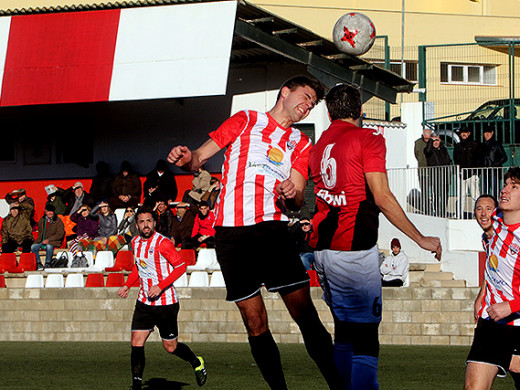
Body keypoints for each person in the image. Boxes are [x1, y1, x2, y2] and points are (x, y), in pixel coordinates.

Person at [168, 75, 344, 390]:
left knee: (305, 314)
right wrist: (185, 159)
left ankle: (339, 386)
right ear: (285, 92)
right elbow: (198, 157)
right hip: (231, 236)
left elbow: (299, 196)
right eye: (304, 97)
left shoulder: (301, 143)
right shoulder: (246, 120)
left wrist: (292, 192)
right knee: (254, 322)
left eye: (312, 104)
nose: (306, 106)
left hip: (271, 231)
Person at [308, 84, 442, 390]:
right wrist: (421, 239)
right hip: (353, 249)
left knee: (344, 331)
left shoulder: (320, 144)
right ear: (361, 113)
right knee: (367, 339)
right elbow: (381, 196)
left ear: (329, 113)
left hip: (324, 250)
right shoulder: (367, 138)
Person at [117, 207, 207, 390]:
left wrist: (160, 286)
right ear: (137, 225)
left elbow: (181, 266)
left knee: (171, 348)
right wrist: (128, 284)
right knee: (136, 341)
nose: (146, 225)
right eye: (142, 222)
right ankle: (136, 385)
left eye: (149, 221)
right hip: (144, 301)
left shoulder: (163, 243)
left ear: (155, 223)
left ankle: (196, 361)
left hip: (166, 303)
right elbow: (139, 268)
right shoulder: (134, 243)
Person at [465, 168, 520, 389]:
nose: (505, 190)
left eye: (514, 186)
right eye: (505, 184)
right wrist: (482, 294)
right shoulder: (494, 222)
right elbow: (493, 262)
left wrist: (512, 306)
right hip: (492, 323)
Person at [424, 132, 452, 217]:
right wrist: (430, 142)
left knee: (445, 195)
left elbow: (448, 160)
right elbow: (427, 151)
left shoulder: (443, 149)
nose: (435, 142)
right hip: (435, 175)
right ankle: (437, 211)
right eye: (434, 140)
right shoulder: (429, 150)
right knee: (436, 194)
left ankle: (443, 211)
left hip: (445, 175)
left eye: (437, 140)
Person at [454, 126, 481, 213]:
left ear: (469, 133)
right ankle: (459, 213)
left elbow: (478, 158)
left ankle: (476, 214)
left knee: (475, 196)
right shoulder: (458, 146)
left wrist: (477, 172)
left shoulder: (475, 144)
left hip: (472, 173)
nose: (464, 134)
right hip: (461, 173)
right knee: (461, 195)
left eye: (465, 132)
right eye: (462, 133)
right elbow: (456, 159)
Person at [31, 204, 65, 270]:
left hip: (53, 241)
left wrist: (49, 240)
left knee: (49, 247)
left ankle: (47, 263)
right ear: (46, 212)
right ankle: (38, 263)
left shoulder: (58, 221)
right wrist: (39, 241)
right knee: (33, 247)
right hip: (42, 240)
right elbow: (40, 232)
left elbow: (60, 234)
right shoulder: (42, 220)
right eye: (48, 211)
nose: (50, 213)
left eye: (51, 211)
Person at [481, 125, 508, 196]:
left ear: (492, 133)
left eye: (488, 132)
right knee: (485, 193)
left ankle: (497, 206)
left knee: (496, 192)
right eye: (485, 132)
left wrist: (495, 164)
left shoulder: (496, 144)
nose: (486, 134)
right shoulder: (482, 145)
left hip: (494, 172)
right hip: (485, 172)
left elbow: (504, 157)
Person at [414, 128, 432, 214]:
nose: (427, 140)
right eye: (425, 138)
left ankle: (435, 208)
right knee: (424, 191)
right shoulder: (418, 143)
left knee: (435, 190)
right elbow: (416, 155)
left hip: (432, 170)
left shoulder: (433, 142)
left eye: (428, 138)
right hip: (422, 171)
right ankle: (426, 209)